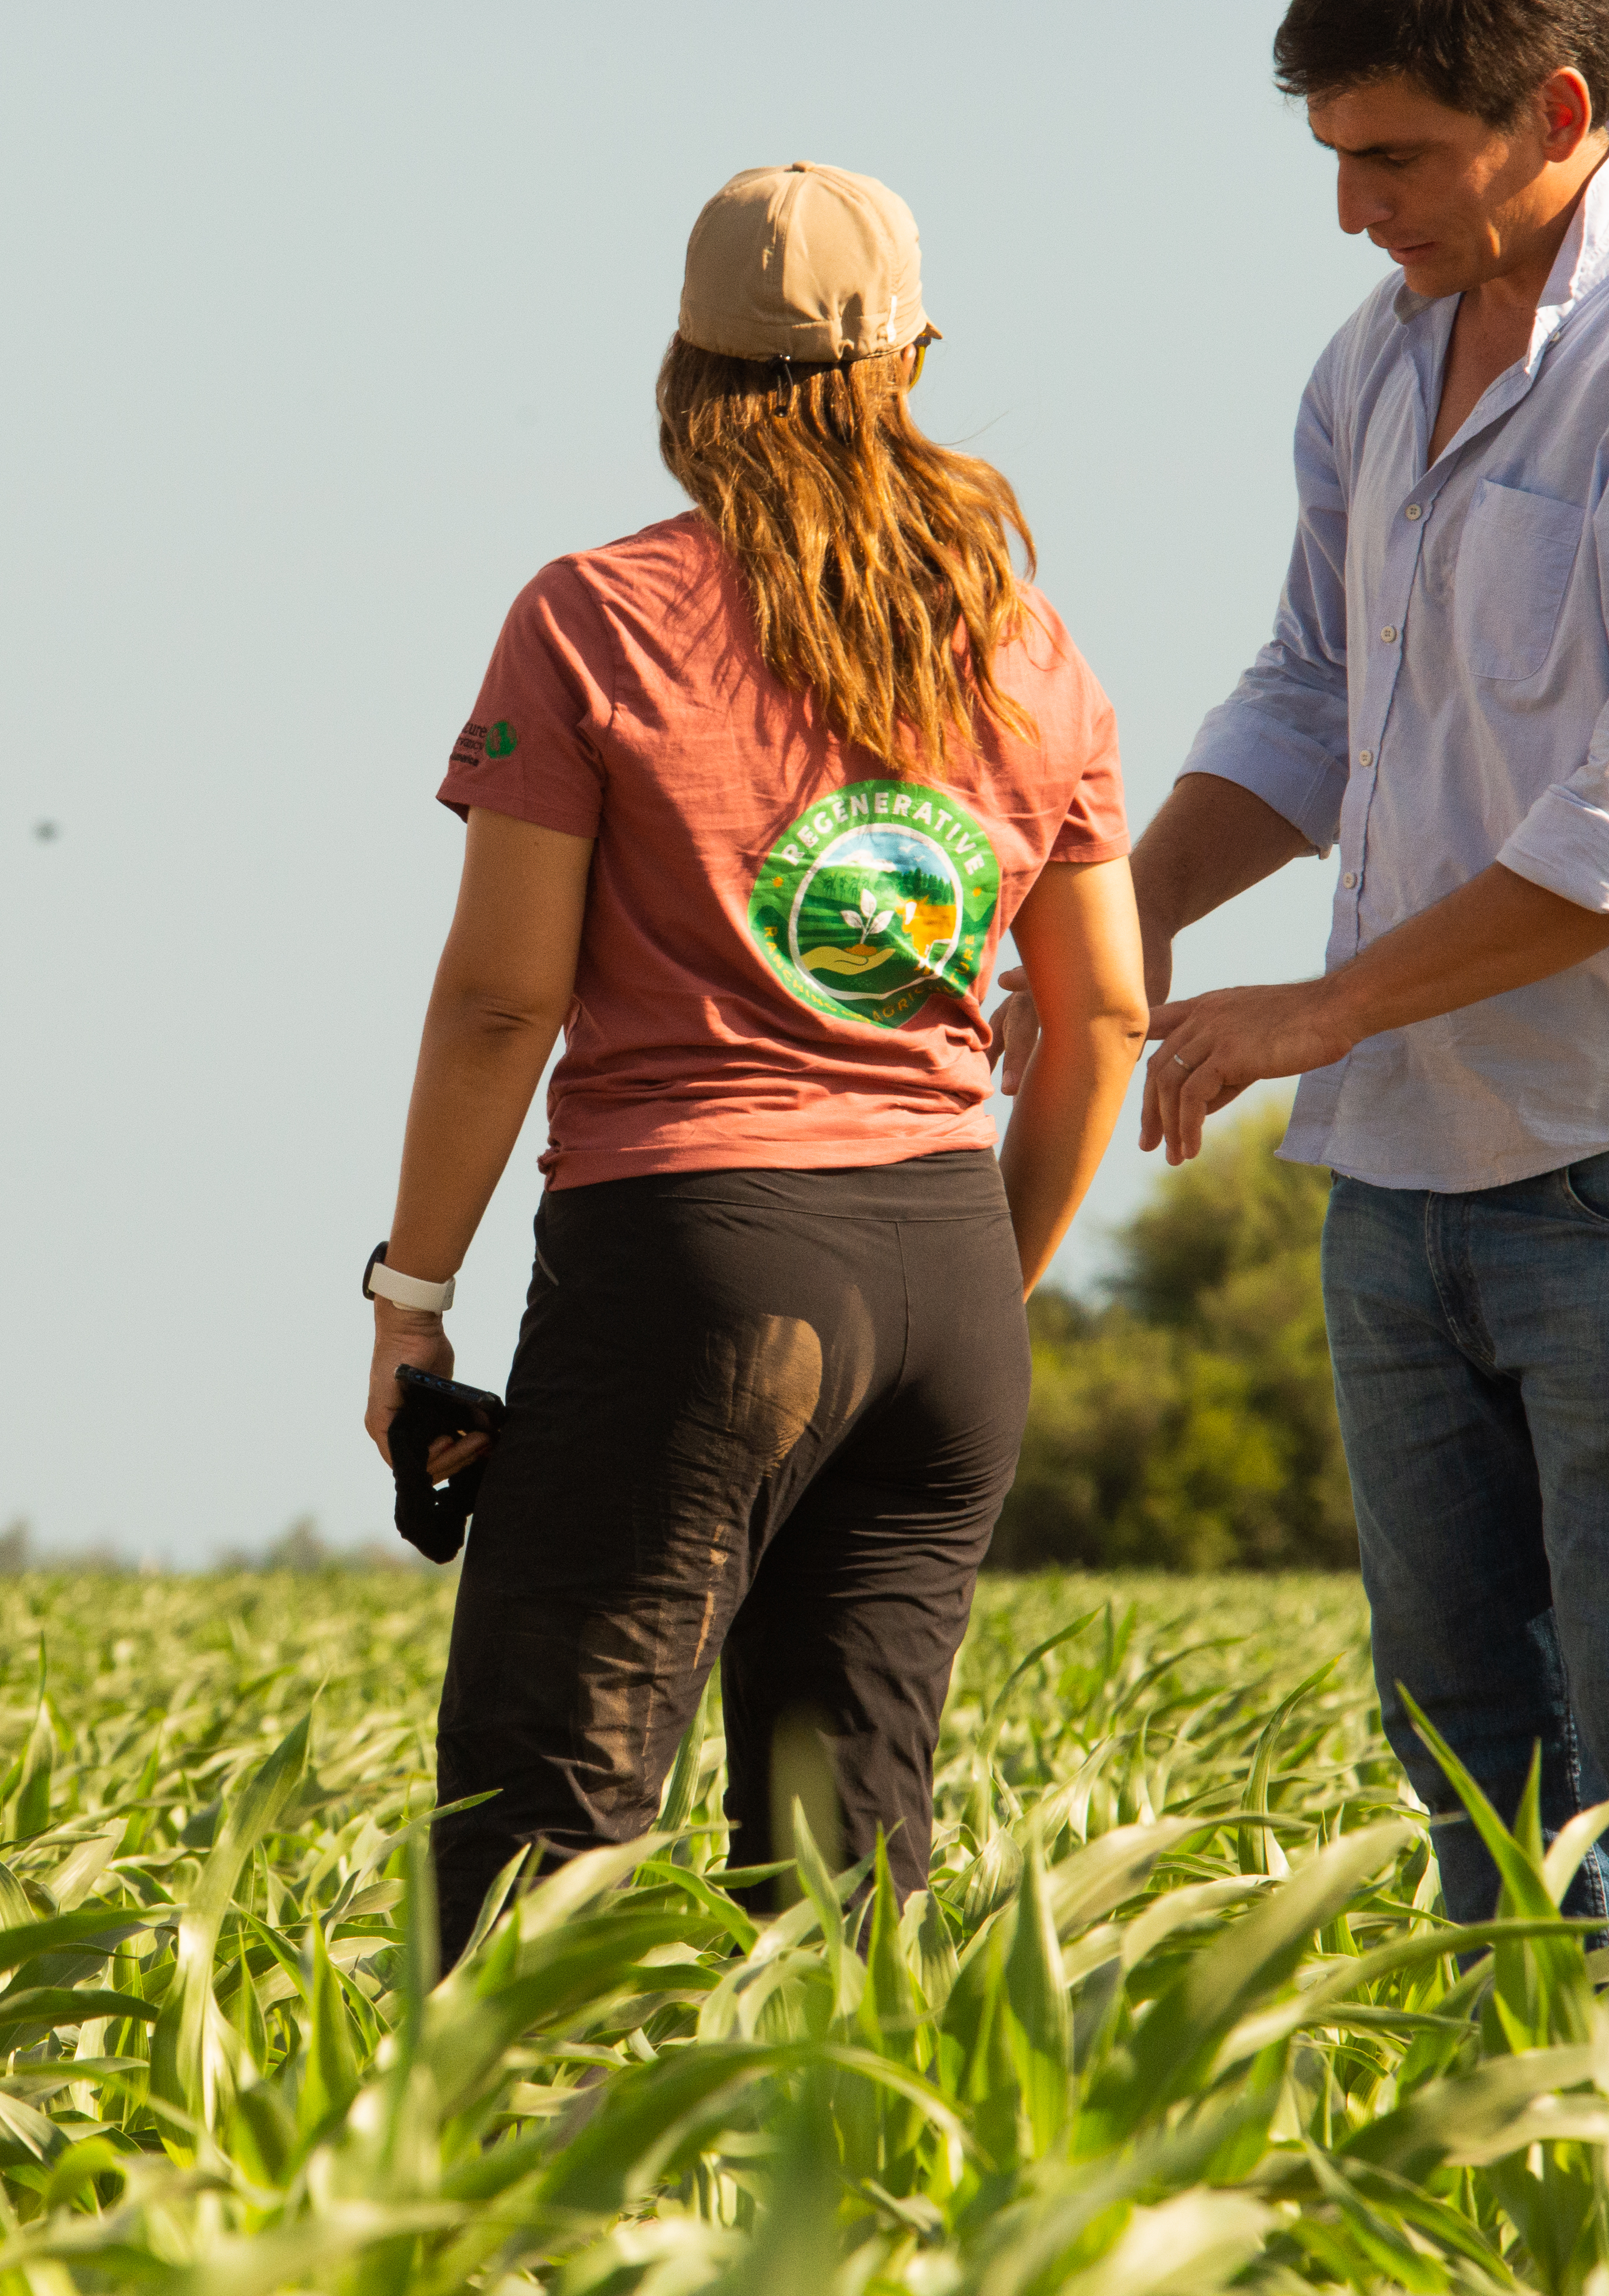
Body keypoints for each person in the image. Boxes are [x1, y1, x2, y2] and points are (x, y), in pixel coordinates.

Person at [1027, 0, 1609, 2030]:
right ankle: (1525, 2220)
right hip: (1405, 1180)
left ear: (1560, 106)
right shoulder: (1373, 364)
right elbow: (1317, 697)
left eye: (1396, 158)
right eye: (1334, 159)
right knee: (1474, 1791)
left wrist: (1308, 1008)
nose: (1355, 212)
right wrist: (1108, 924)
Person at [367, 163, 1148, 1959]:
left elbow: (501, 1000)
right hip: (946, 1275)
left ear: (687, 371)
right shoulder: (1033, 649)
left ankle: (510, 2235)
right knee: (848, 1865)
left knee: (541, 1833)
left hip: (692, 1262)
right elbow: (1102, 1014)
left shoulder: (595, 616)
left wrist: (412, 1301)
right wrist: (990, 1282)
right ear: (911, 365)